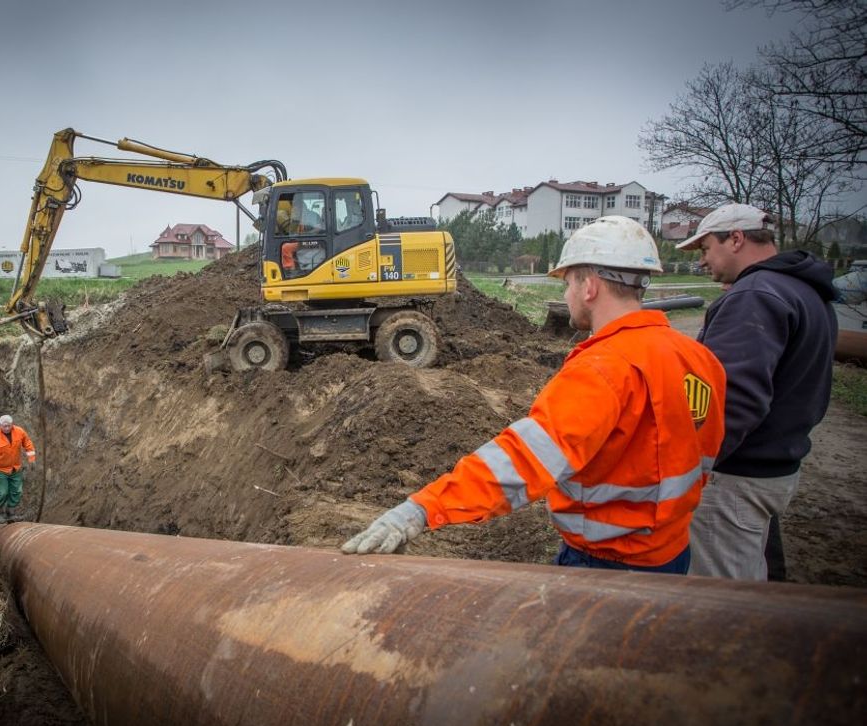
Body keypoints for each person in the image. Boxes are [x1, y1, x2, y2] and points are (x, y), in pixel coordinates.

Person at [342, 216, 726, 573]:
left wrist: (422, 509)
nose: (568, 292)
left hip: (606, 564)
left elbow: (522, 461)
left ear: (588, 286)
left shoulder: (602, 369)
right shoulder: (700, 359)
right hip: (673, 555)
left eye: (568, 282)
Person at [677, 203, 838, 581]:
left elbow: (731, 401)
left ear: (735, 238)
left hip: (735, 476)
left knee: (720, 602)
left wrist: (687, 469)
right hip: (773, 465)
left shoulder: (755, 296)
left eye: (705, 249)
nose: (702, 262)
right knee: (756, 575)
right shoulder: (805, 291)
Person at [0, 414, 36, 520]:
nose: (7, 428)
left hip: (15, 468)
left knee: (17, 491)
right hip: (0, 470)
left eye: (9, 426)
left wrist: (31, 459)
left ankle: (11, 510)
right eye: (4, 426)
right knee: (2, 492)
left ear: (12, 424)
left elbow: (28, 444)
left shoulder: (20, 432)